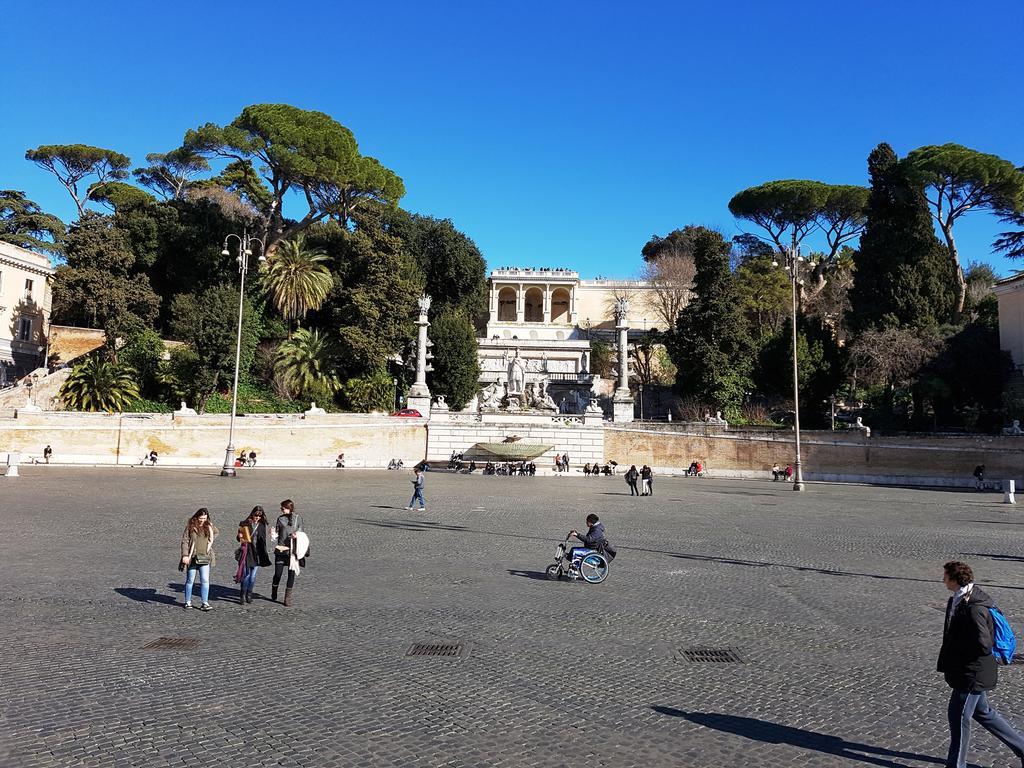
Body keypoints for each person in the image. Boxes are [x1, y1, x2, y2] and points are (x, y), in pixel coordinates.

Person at [938, 560, 1024, 768]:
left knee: (958, 717)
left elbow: (983, 645)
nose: (943, 580)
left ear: (954, 579)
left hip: (973, 673)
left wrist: (958, 650)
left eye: (945, 576)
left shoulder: (974, 607)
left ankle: (956, 765)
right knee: (984, 713)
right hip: (967, 671)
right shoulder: (958, 599)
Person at [179, 508, 219, 612]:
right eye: (201, 518)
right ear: (197, 517)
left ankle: (204, 603)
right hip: (192, 557)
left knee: (205, 580)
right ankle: (188, 602)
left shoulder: (209, 526)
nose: (202, 520)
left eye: (205, 518)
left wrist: (210, 528)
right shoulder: (190, 527)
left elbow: (216, 532)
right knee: (190, 580)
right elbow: (185, 541)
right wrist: (185, 555)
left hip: (205, 557)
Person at [235, 505, 271, 605]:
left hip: (257, 553)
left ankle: (249, 594)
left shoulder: (262, 525)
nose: (257, 518)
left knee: (253, 576)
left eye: (259, 516)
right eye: (256, 516)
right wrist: (239, 536)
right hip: (247, 552)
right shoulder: (245, 524)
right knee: (246, 575)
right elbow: (239, 539)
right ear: (252, 514)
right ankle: (242, 595)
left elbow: (263, 540)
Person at [271, 500, 302, 606]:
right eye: (281, 508)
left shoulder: (298, 518)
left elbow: (302, 533)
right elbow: (276, 534)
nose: (281, 510)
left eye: (283, 508)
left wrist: (296, 535)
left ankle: (287, 598)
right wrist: (272, 533)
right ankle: (274, 588)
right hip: (281, 549)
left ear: (289, 508)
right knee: (278, 574)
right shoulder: (280, 519)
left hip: (293, 551)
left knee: (291, 574)